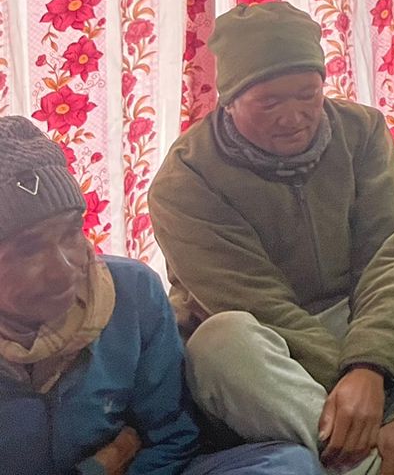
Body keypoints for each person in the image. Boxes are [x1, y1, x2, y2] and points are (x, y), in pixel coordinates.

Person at [149, 2, 394, 475]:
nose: (294, 116)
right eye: (269, 102)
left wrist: (371, 372)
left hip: (354, 314)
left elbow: (384, 259)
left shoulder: (361, 132)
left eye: (307, 93)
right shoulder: (187, 180)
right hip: (269, 345)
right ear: (229, 100)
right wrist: (378, 401)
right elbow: (260, 304)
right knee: (218, 342)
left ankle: (373, 440)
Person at [0, 116, 315, 475]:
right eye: (27, 248)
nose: (64, 268)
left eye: (71, 232)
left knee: (288, 465)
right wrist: (98, 467)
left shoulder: (131, 293)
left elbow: (171, 437)